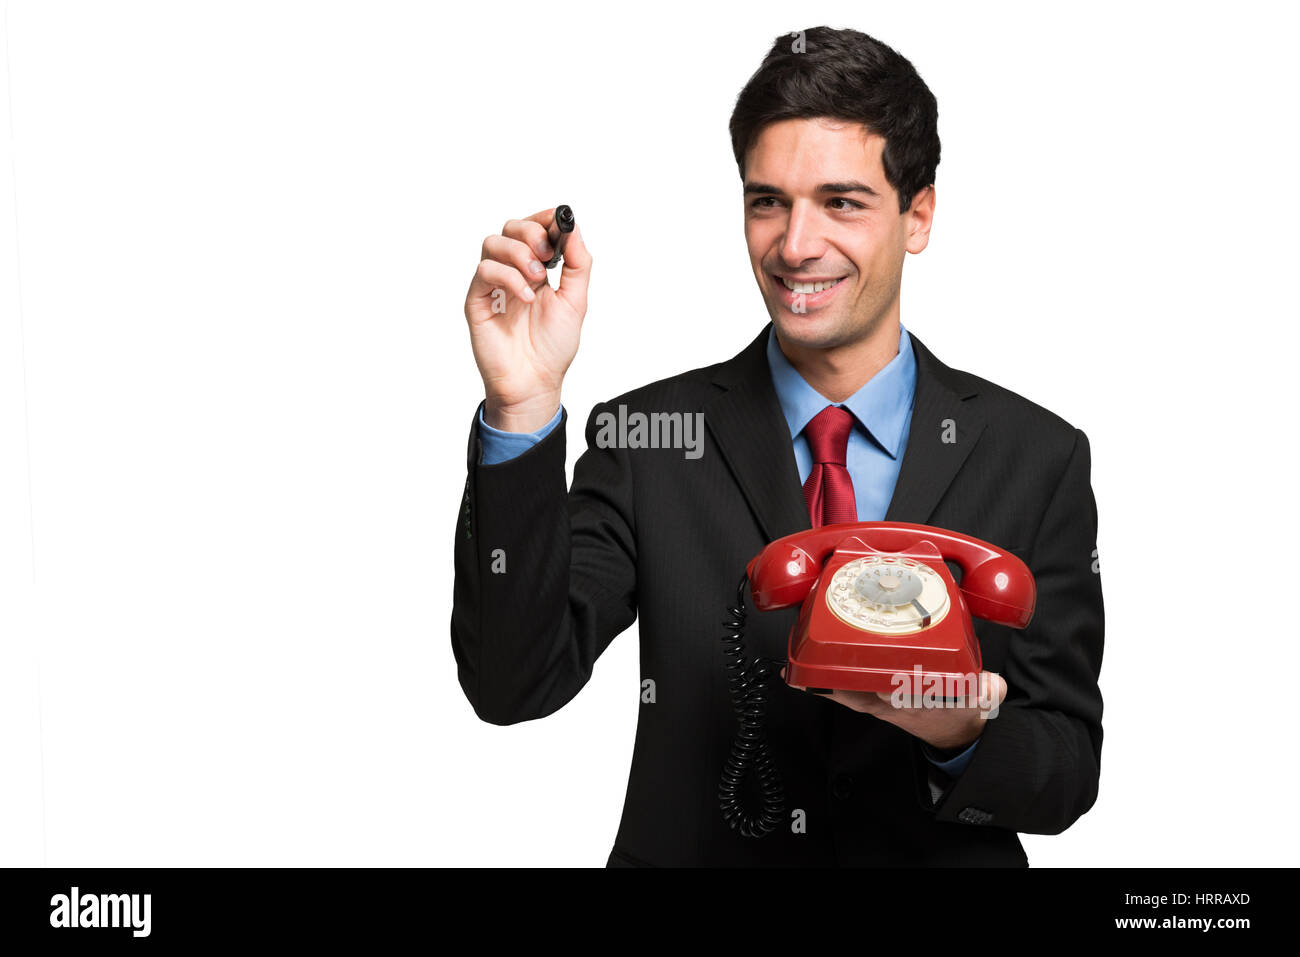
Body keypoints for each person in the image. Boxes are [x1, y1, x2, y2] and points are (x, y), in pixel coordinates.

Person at [452, 26, 1103, 866]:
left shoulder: (1037, 456)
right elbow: (511, 684)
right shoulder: (646, 439)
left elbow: (1067, 772)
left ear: (918, 215)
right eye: (768, 200)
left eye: (842, 202)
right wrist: (521, 406)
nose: (795, 246)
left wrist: (962, 733)